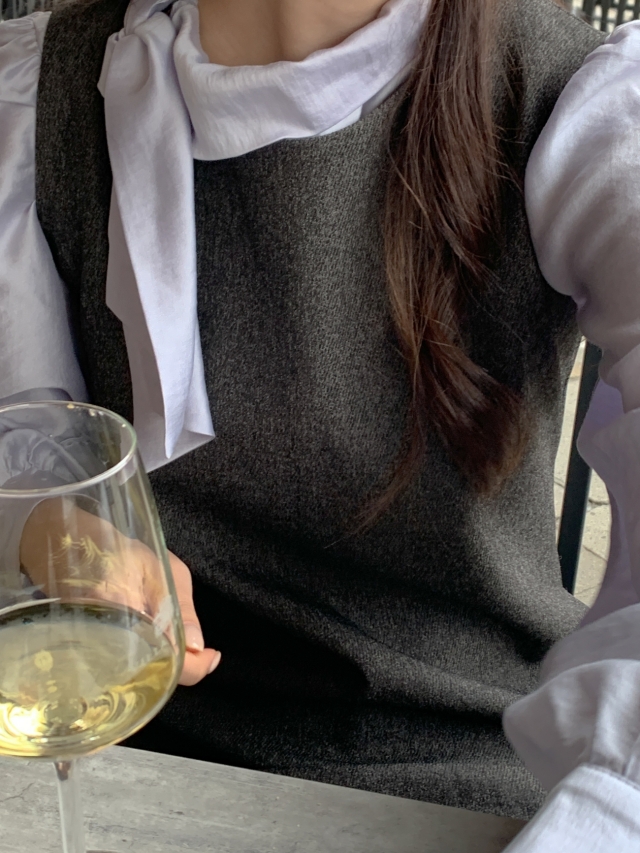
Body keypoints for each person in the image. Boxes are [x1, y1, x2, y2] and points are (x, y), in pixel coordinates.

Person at [0, 0, 609, 828]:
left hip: (473, 773)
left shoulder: (579, 98)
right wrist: (63, 537)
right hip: (132, 754)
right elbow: (27, 447)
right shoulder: (40, 88)